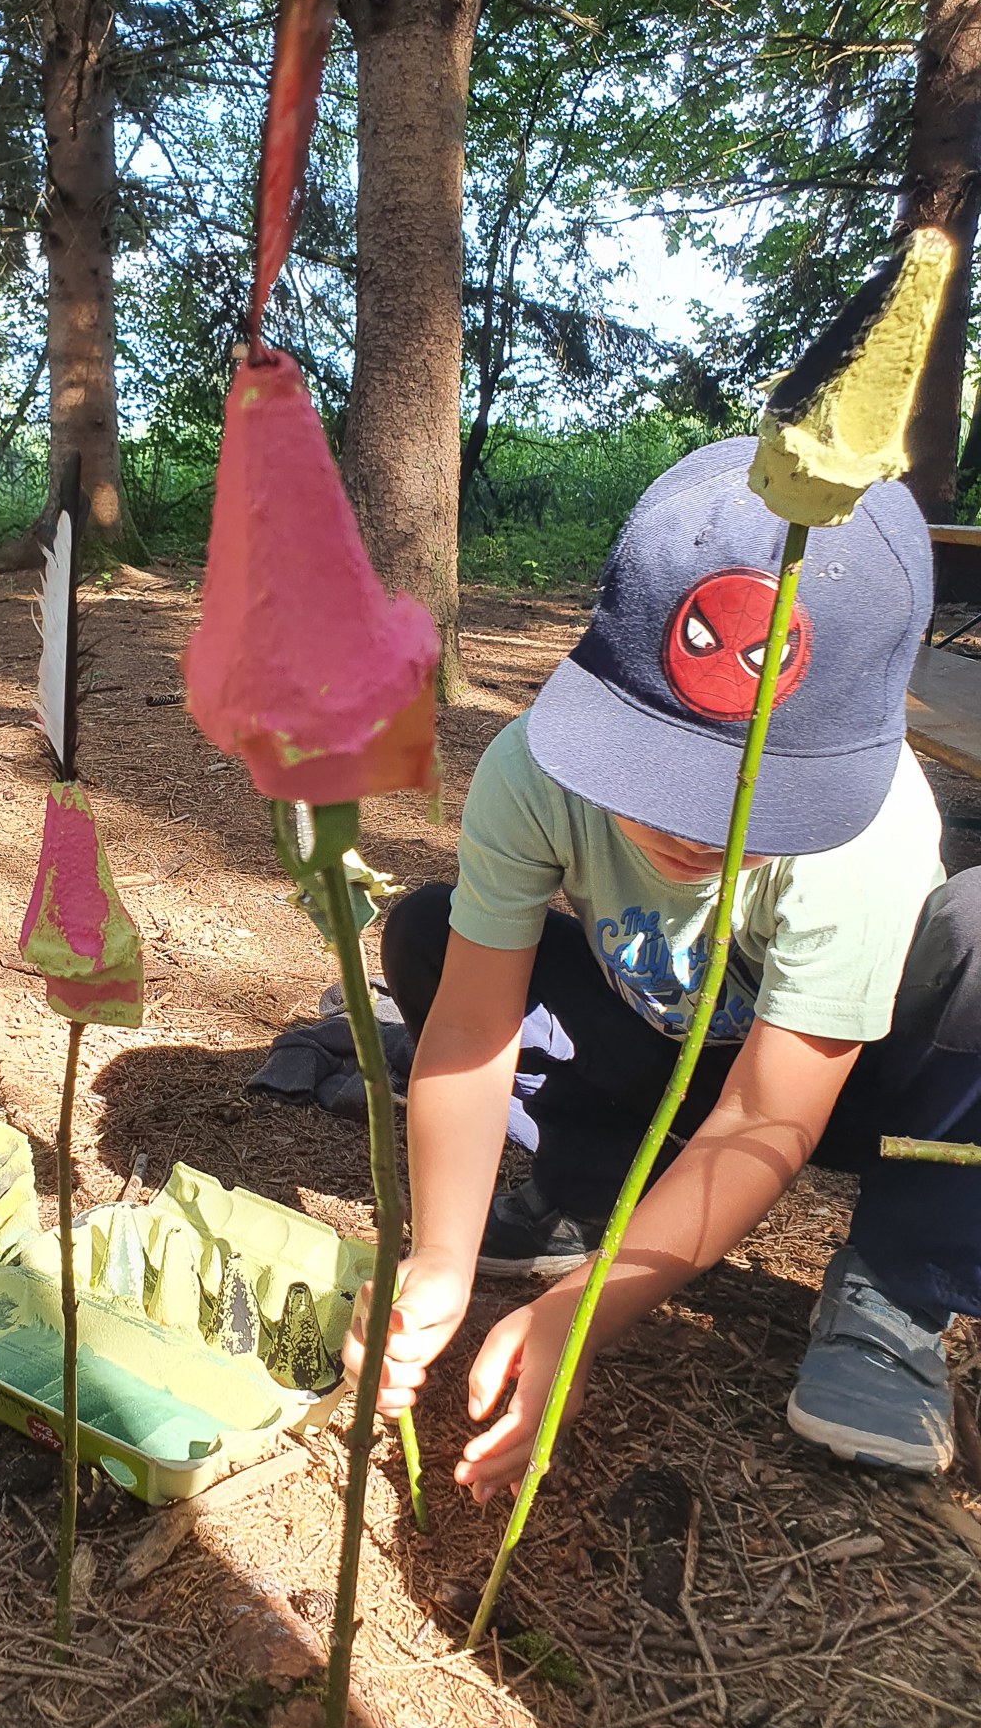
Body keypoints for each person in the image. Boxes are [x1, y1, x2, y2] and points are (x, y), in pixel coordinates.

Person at [345, 437, 980, 1494]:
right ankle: (595, 1190)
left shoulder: (871, 833)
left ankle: (897, 1289)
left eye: (759, 802)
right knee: (431, 933)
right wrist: (441, 1256)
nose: (695, 831)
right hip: (666, 1039)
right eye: (658, 773)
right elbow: (468, 1029)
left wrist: (584, 1317)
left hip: (843, 1088)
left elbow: (768, 1113)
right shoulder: (531, 775)